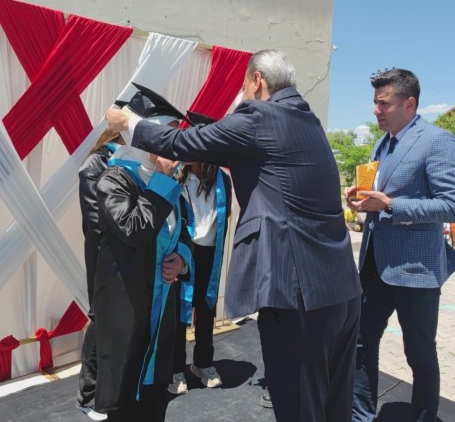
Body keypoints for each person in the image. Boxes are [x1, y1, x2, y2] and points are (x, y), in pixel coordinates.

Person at [106, 49, 362, 422]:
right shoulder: (307, 121)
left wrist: (129, 122)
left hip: (298, 295)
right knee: (334, 407)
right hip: (340, 290)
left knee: (299, 408)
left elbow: (183, 144)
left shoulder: (260, 115)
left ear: (257, 80)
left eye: (243, 85)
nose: (242, 95)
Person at [345, 68, 455, 422]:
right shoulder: (381, 144)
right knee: (361, 343)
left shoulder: (438, 140)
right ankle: (360, 416)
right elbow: (380, 194)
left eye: (384, 103)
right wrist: (363, 199)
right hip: (373, 265)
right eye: (375, 102)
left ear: (409, 104)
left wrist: (390, 205)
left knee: (420, 355)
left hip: (415, 270)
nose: (376, 110)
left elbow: (451, 205)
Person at [94, 92, 194, 421]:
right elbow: (136, 230)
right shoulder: (115, 180)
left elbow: (182, 233)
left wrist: (181, 259)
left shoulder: (166, 184)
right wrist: (163, 181)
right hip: (129, 310)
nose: (172, 150)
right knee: (126, 403)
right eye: (164, 139)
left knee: (154, 400)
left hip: (160, 311)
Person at [169, 160, 232, 395]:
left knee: (206, 309)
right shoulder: (177, 175)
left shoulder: (222, 179)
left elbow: (224, 215)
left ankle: (203, 363)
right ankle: (175, 368)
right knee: (179, 312)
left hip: (210, 252)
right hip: (185, 250)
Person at [76, 128, 124, 420]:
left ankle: (108, 390)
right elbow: (95, 221)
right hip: (103, 256)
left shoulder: (126, 162)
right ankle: (88, 395)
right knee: (99, 318)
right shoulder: (94, 165)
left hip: (122, 257)